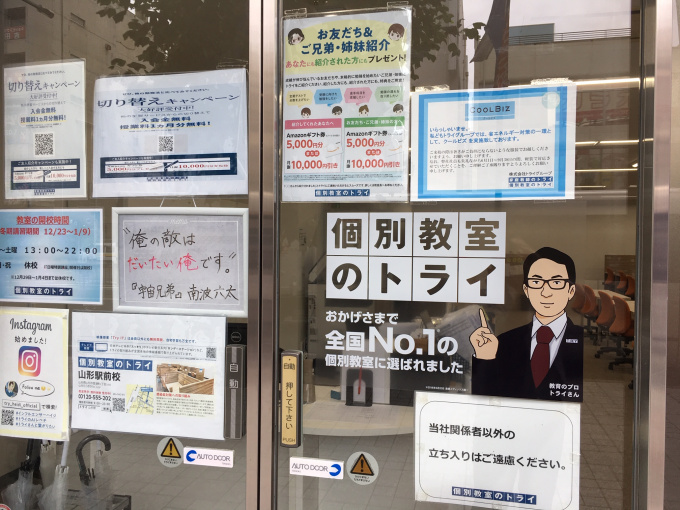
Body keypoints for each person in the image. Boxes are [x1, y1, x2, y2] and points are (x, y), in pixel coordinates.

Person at [468, 247, 583, 402]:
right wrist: (485, 358)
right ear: (526, 290)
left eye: (556, 282)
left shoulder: (580, 341)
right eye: (536, 282)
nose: (546, 292)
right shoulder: (505, 342)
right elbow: (484, 400)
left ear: (571, 291)